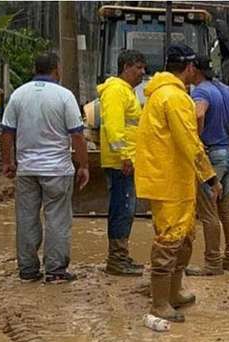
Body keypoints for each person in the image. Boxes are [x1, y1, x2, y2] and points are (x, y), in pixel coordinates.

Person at [134, 44, 219, 322]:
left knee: (182, 237)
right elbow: (189, 142)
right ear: (190, 67)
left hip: (165, 178)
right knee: (170, 240)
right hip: (171, 181)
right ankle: (160, 302)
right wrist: (210, 175)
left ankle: (173, 292)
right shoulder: (176, 98)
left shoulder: (159, 95)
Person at [0, 53, 89, 284]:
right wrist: (84, 165)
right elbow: (77, 135)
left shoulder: (18, 95)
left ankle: (28, 270)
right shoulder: (64, 96)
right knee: (57, 220)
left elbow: (7, 133)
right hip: (58, 170)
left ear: (34, 68)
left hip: (27, 170)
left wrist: (7, 162)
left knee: (26, 218)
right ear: (56, 69)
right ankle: (56, 271)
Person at [187, 55, 229, 276]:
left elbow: (198, 113)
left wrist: (197, 140)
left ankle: (213, 262)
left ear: (194, 70)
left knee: (208, 211)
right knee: (226, 208)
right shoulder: (228, 90)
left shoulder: (201, 91)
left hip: (212, 154)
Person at [98, 49, 147, 276]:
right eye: (138, 67)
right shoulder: (116, 90)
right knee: (122, 209)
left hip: (126, 160)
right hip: (121, 162)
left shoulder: (126, 92)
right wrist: (124, 156)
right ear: (126, 66)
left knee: (126, 209)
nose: (142, 72)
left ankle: (121, 256)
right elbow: (114, 127)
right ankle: (116, 259)